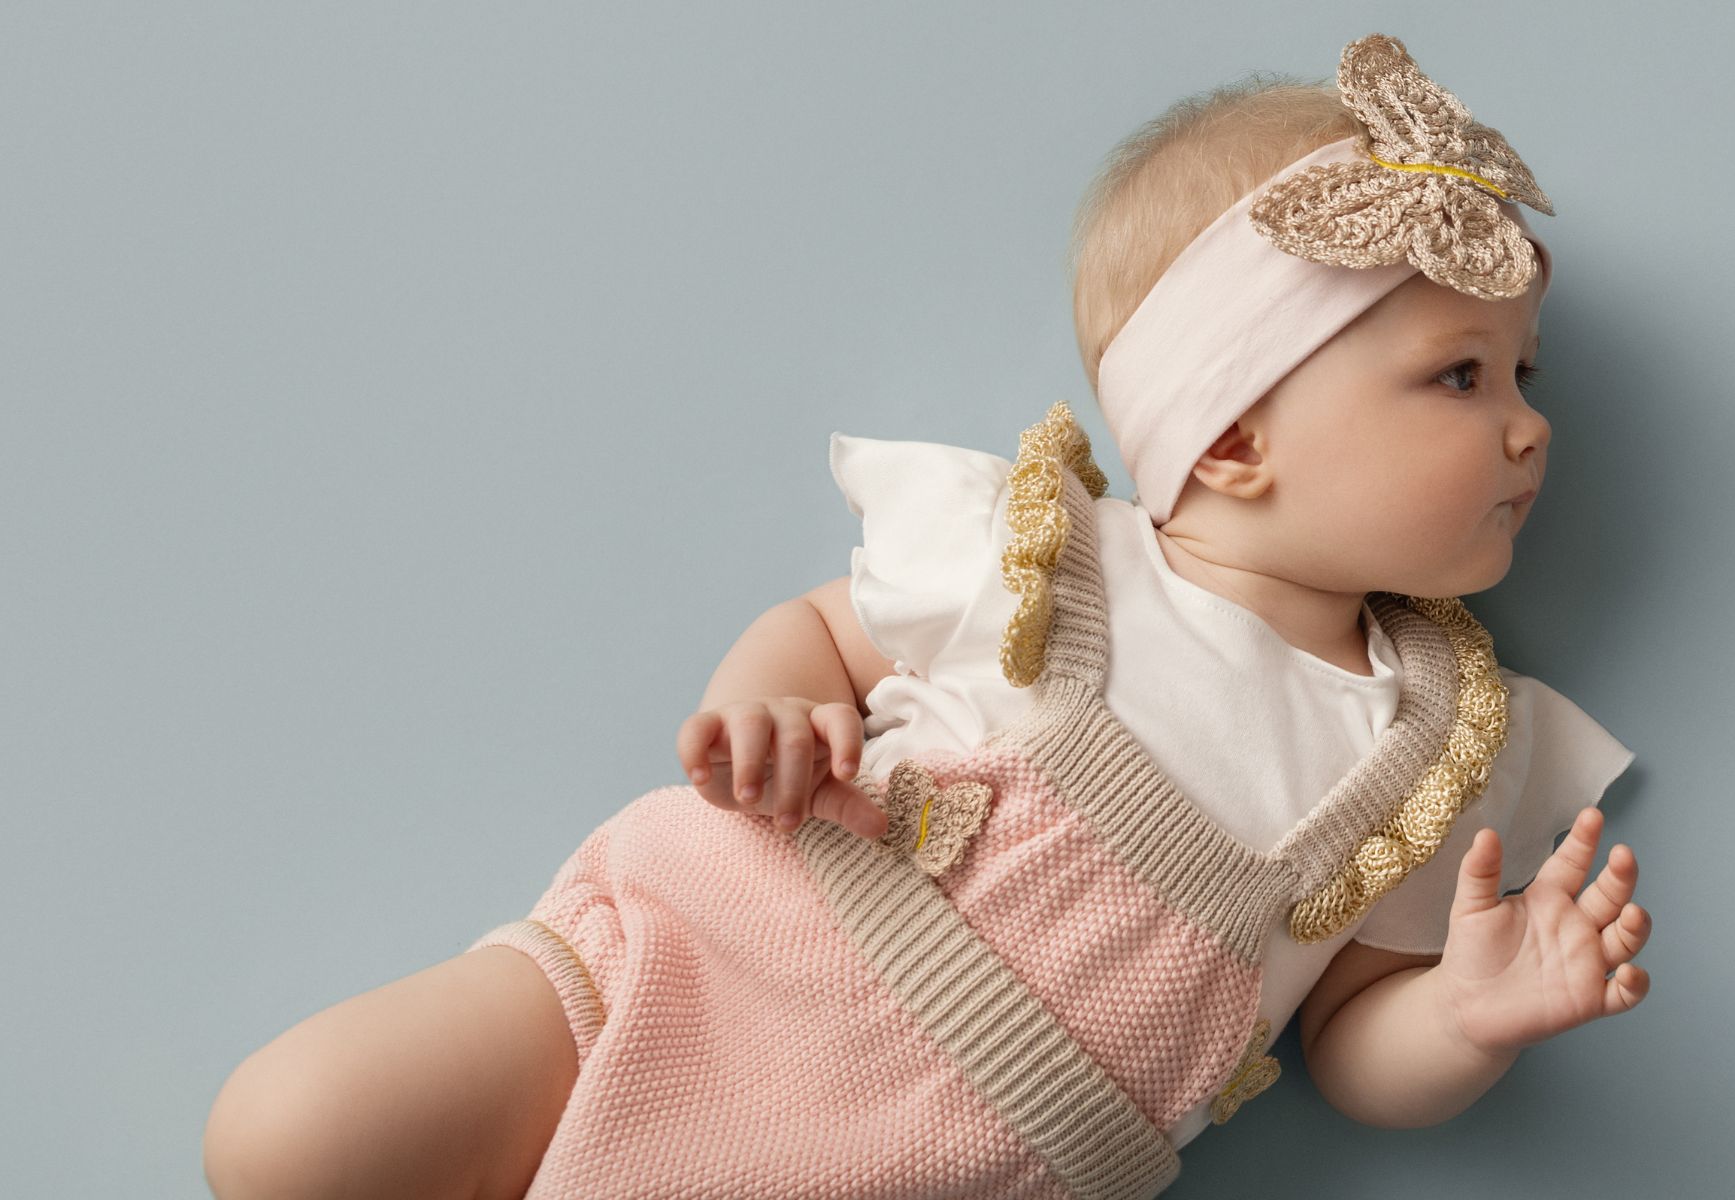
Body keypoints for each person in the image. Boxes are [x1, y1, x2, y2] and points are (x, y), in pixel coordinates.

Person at [205, 33, 1650, 1199]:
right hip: (725, 954)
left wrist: (1462, 1020)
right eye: (1463, 376)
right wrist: (776, 711)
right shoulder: (1046, 562)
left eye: (1528, 380)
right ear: (1229, 442)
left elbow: (1348, 1041)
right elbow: (819, 633)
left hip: (957, 1162)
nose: (1528, 432)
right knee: (289, 1134)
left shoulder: (1430, 741)